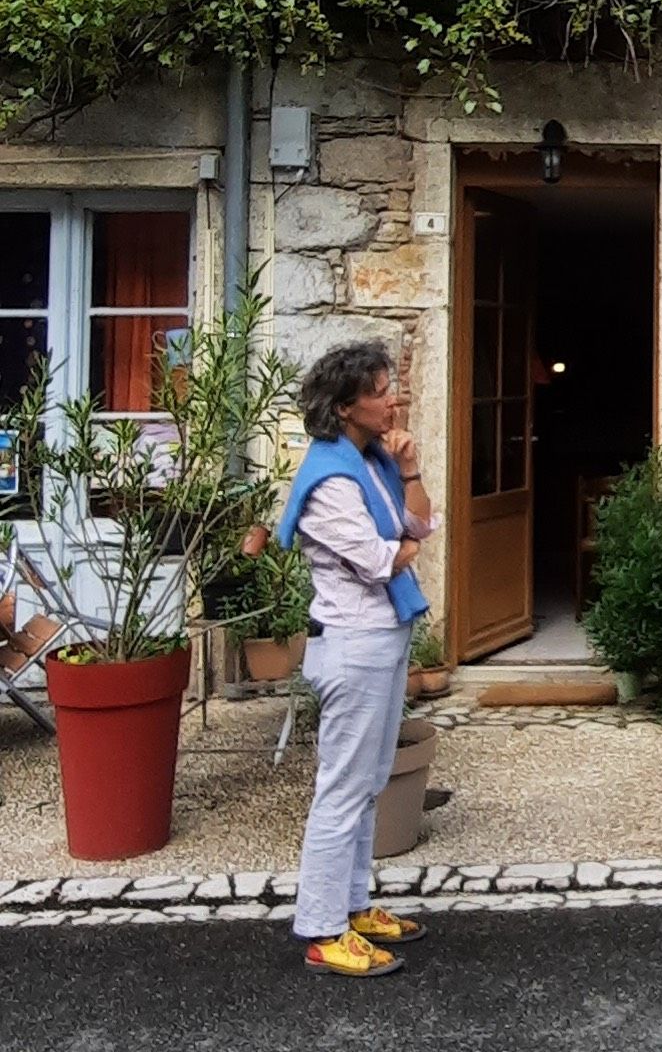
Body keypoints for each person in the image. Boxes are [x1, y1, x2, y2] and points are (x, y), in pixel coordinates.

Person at [278, 340, 436, 979]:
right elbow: (381, 559)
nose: (392, 398)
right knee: (342, 789)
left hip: (380, 636)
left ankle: (354, 906)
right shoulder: (331, 478)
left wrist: (411, 470)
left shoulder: (370, 460)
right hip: (352, 643)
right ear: (345, 406)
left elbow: (420, 526)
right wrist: (403, 539)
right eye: (377, 391)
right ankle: (321, 929)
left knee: (369, 781)